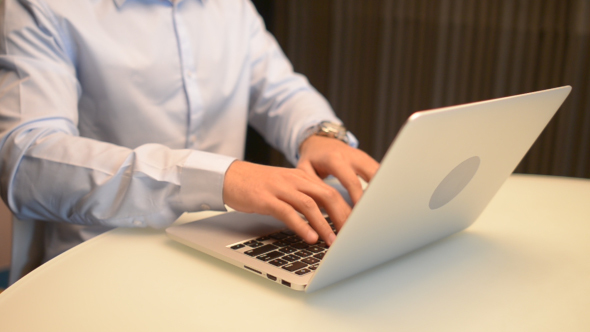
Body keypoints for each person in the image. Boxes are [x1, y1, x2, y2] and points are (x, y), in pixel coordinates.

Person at [0, 0, 379, 262]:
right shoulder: (44, 7)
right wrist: (216, 178)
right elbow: (25, 160)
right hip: (105, 254)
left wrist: (319, 133)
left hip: (225, 248)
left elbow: (279, 88)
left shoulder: (232, 6)